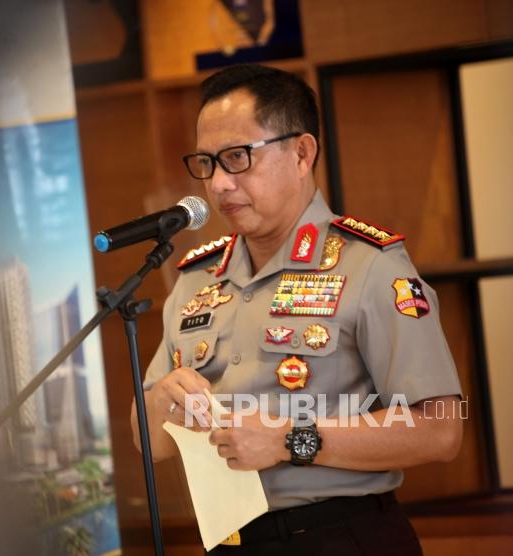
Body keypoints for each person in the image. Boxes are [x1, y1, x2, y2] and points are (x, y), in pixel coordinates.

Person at [130, 64, 463, 555]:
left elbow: (441, 429)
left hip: (339, 538)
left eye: (237, 158)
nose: (218, 183)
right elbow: (149, 443)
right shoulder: (196, 279)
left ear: (302, 153)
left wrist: (291, 438)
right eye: (206, 163)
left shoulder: (370, 267)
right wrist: (161, 402)